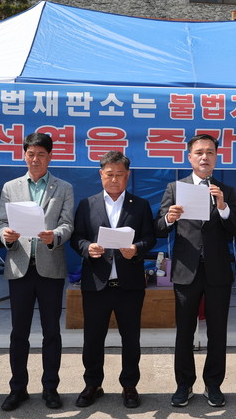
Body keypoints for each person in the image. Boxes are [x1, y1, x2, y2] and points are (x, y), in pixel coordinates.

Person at [156, 134, 236, 408]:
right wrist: (170, 217)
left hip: (217, 270)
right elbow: (159, 227)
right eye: (199, 152)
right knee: (184, 331)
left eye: (210, 152)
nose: (205, 157)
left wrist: (223, 207)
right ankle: (184, 384)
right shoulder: (175, 188)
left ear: (216, 157)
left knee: (217, 331)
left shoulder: (226, 190)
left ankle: (213, 384)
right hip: (186, 269)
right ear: (190, 157)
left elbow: (235, 229)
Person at [0, 133, 74, 411]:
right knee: (19, 333)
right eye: (31, 154)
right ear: (24, 155)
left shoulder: (63, 187)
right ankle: (18, 388)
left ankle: (50, 388)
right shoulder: (10, 187)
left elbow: (67, 224)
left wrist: (55, 236)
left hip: (50, 267)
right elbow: (1, 222)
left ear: (50, 157)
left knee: (51, 332)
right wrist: (6, 235)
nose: (35, 159)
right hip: (20, 267)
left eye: (41, 154)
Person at [73, 151, 156, 409]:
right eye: (110, 174)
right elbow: (77, 237)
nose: (114, 179)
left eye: (120, 174)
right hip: (96, 283)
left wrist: (137, 249)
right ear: (101, 175)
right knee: (92, 338)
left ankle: (129, 385)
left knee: (130, 338)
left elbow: (150, 237)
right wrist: (87, 248)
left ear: (127, 176)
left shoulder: (139, 205)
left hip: (129, 285)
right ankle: (92, 384)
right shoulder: (87, 204)